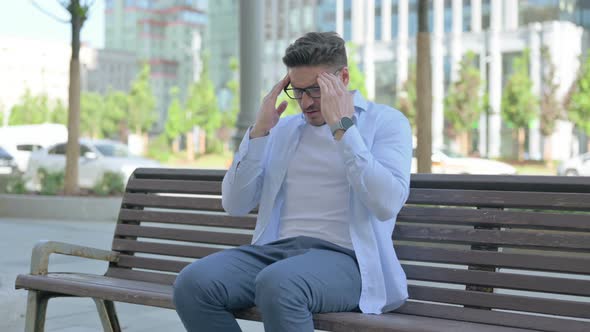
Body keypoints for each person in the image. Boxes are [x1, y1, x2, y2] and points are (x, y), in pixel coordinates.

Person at [173, 31, 412, 332]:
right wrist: (259, 133)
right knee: (193, 283)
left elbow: (387, 203)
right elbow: (234, 204)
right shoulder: (283, 130)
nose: (306, 102)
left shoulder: (386, 123)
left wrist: (344, 129)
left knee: (280, 284)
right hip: (275, 254)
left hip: (349, 261)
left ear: (344, 77)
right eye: (298, 91)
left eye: (315, 89)